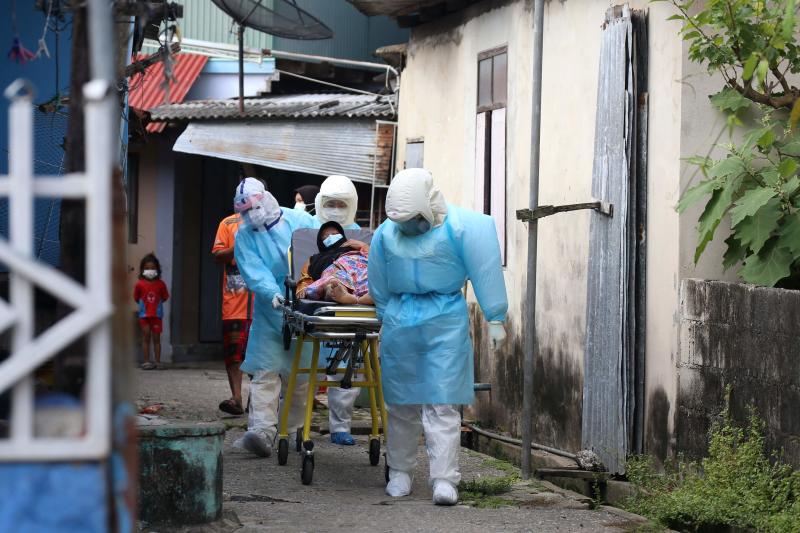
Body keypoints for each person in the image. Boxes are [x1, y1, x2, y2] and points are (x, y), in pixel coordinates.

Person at [368, 168, 508, 506]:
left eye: (413, 219)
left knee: (442, 403)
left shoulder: (460, 228)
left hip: (444, 319)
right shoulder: (386, 234)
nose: (407, 228)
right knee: (401, 402)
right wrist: (385, 315)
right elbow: (379, 279)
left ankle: (444, 479)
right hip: (401, 320)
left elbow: (485, 267)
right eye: (401, 221)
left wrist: (495, 316)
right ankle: (399, 471)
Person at [232, 177, 316, 458]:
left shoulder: (299, 220)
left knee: (300, 375)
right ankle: (262, 432)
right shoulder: (244, 235)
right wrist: (271, 293)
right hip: (271, 309)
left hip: (306, 302)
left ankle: (290, 430)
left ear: (266, 197)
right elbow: (253, 269)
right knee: (266, 371)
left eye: (254, 206)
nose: (251, 214)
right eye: (245, 211)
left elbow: (320, 252)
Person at [311, 175, 362, 445]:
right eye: (330, 203)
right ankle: (296, 426)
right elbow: (305, 279)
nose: (335, 209)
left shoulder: (361, 241)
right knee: (296, 377)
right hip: (320, 308)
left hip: (352, 309)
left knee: (345, 369)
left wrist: (363, 250)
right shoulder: (307, 234)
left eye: (341, 205)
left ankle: (340, 427)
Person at [212, 211, 255, 416]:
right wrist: (237, 247)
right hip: (234, 301)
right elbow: (217, 254)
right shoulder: (227, 222)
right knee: (233, 355)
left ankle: (257, 401)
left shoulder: (269, 223)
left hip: (262, 304)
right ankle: (236, 398)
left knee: (261, 355)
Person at [296, 222, 372, 305]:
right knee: (334, 281)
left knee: (369, 275)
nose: (331, 237)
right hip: (336, 271)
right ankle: (338, 292)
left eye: (335, 234)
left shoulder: (355, 248)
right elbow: (305, 277)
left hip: (359, 267)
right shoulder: (314, 259)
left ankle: (371, 294)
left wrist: (364, 246)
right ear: (320, 241)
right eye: (325, 236)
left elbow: (377, 260)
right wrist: (302, 286)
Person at [133, 253, 170, 370]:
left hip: (157, 316)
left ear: (157, 269)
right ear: (142, 270)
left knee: (156, 338)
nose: (150, 270)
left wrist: (156, 307)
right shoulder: (139, 284)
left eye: (153, 268)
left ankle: (158, 362)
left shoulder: (161, 284)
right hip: (144, 316)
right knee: (146, 337)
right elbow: (136, 298)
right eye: (147, 268)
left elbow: (165, 297)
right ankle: (146, 361)